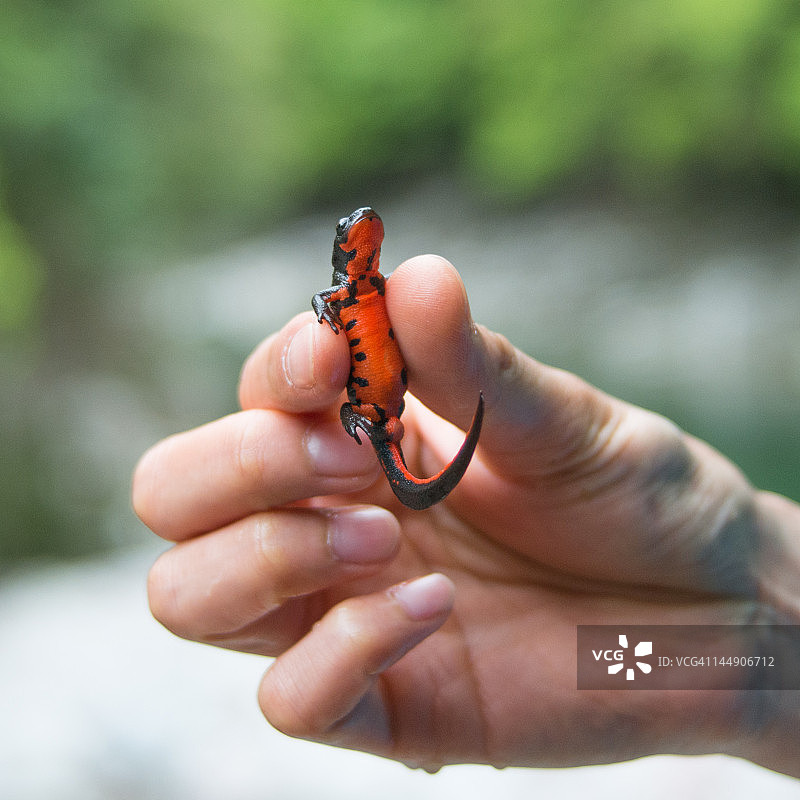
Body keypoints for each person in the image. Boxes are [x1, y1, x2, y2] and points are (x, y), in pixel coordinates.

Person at [132, 254, 800, 777]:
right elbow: (765, 665)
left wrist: (755, 629)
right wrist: (746, 647)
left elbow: (766, 663)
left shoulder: (384, 290)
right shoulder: (343, 298)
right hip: (377, 415)